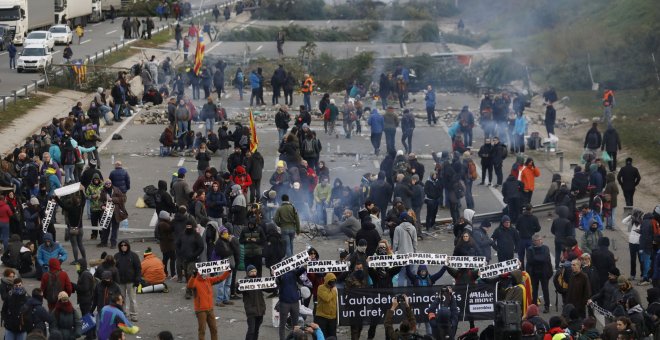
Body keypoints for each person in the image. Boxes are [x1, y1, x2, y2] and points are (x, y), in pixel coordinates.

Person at [187, 267, 230, 340]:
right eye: (203, 273)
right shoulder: (195, 281)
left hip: (210, 309)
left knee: (214, 330)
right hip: (201, 310)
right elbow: (190, 285)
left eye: (206, 273)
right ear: (199, 273)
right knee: (202, 331)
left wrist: (228, 271)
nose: (205, 274)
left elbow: (220, 278)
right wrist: (193, 275)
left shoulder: (208, 280)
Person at [526, 234, 553, 314]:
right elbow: (530, 260)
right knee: (534, 290)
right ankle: (534, 307)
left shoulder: (545, 248)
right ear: (534, 242)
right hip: (534, 273)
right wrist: (539, 259)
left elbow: (545, 259)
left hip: (544, 272)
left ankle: (547, 306)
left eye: (541, 239)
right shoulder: (530, 249)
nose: (541, 241)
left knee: (545, 289)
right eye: (538, 240)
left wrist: (536, 258)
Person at [177, 224, 205, 298]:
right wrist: (180, 253)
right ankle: (192, 289)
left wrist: (194, 255)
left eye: (190, 226)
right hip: (184, 259)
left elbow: (201, 247)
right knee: (187, 275)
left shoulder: (196, 236)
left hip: (193, 259)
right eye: (187, 226)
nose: (188, 228)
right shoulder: (182, 235)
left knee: (191, 275)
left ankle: (189, 291)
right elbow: (177, 244)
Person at [98, 179, 127, 249]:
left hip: (115, 212)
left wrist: (113, 199)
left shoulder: (116, 190)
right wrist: (102, 206)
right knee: (105, 228)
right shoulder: (103, 191)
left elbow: (123, 198)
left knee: (115, 229)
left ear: (111, 183)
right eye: (106, 184)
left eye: (109, 183)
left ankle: (113, 244)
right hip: (107, 212)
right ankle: (104, 242)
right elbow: (100, 200)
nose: (108, 185)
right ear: (104, 185)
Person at [242, 265, 266, 340]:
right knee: (251, 331)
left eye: (255, 271)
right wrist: (239, 285)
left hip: (260, 310)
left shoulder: (260, 281)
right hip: (251, 310)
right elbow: (238, 290)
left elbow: (269, 289)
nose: (253, 273)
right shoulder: (245, 281)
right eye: (251, 272)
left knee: (256, 330)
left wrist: (275, 279)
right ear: (248, 273)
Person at [315, 273, 338, 337]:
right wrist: (333, 291)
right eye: (331, 282)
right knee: (322, 335)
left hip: (332, 317)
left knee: (332, 336)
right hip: (322, 316)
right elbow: (326, 298)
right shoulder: (321, 288)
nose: (332, 284)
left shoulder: (334, 289)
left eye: (334, 282)